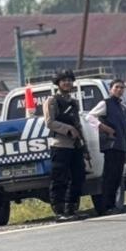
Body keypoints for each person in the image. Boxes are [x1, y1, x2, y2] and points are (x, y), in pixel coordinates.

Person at [44, 69, 85, 221]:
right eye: (63, 81)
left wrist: (83, 143)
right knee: (59, 178)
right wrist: (68, 130)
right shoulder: (52, 101)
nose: (67, 83)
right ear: (58, 84)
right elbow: (50, 122)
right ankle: (59, 210)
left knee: (78, 176)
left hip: (75, 145)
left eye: (69, 80)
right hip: (60, 145)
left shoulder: (73, 102)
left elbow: (78, 124)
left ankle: (71, 208)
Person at [90, 79, 126, 214]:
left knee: (117, 177)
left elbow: (124, 131)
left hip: (120, 146)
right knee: (110, 177)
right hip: (111, 145)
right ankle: (106, 206)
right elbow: (90, 117)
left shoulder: (122, 107)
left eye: (122, 88)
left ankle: (112, 205)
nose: (119, 90)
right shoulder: (105, 104)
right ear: (111, 89)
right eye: (116, 87)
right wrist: (103, 127)